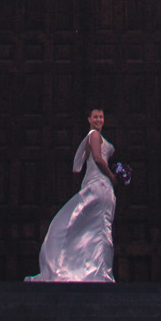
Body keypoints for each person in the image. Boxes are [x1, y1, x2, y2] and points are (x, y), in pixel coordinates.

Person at [26, 107, 118, 282]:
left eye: (101, 117)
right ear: (89, 119)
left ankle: (94, 269)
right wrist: (112, 176)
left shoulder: (95, 137)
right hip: (100, 185)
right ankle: (100, 272)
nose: (99, 120)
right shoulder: (94, 135)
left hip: (100, 185)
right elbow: (98, 159)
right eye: (95, 117)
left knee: (93, 229)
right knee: (99, 228)